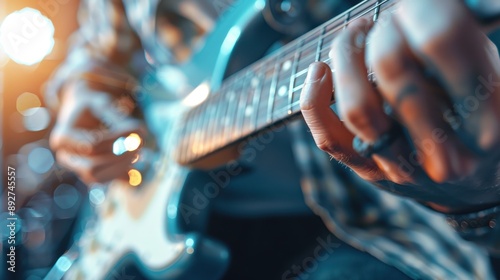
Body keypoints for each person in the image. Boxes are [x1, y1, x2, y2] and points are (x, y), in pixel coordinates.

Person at [46, 0, 500, 279]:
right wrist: (79, 91)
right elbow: (97, 45)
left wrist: (480, 202)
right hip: (182, 212)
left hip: (385, 232)